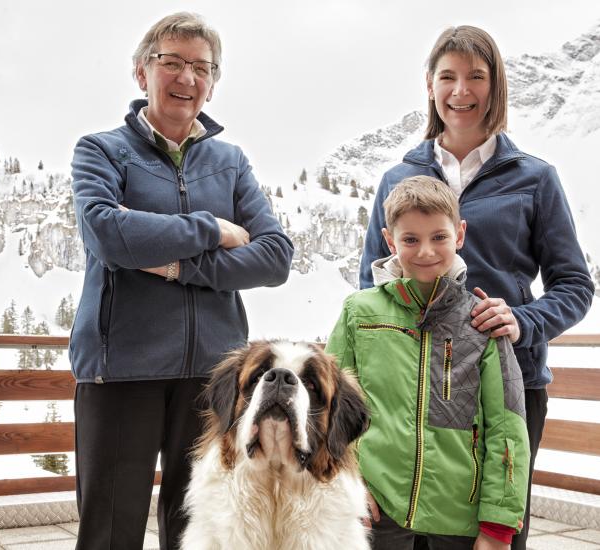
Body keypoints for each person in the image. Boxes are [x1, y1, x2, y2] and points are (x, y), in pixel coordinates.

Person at [359, 26, 594, 550]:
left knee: (493, 532)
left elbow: (575, 284)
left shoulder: (535, 178)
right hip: (410, 390)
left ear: (496, 86)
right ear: (429, 85)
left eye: (476, 76)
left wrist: (523, 321)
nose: (461, 90)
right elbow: (369, 281)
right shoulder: (399, 176)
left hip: (507, 386)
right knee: (399, 531)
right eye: (448, 76)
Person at [69, 12, 294, 550]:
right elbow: (106, 232)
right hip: (122, 367)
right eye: (171, 62)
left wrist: (175, 266)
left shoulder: (230, 162)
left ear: (213, 82)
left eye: (201, 67)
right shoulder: (101, 150)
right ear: (141, 71)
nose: (186, 78)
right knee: (110, 529)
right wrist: (211, 229)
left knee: (201, 526)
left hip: (213, 375)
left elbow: (275, 257)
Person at [327, 175, 530, 549]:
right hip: (375, 511)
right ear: (390, 240)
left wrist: (498, 524)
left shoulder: (482, 321)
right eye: (410, 239)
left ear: (460, 234)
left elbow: (508, 424)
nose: (425, 252)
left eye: (439, 237)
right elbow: (329, 407)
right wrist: (348, 482)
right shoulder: (360, 313)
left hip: (457, 515)